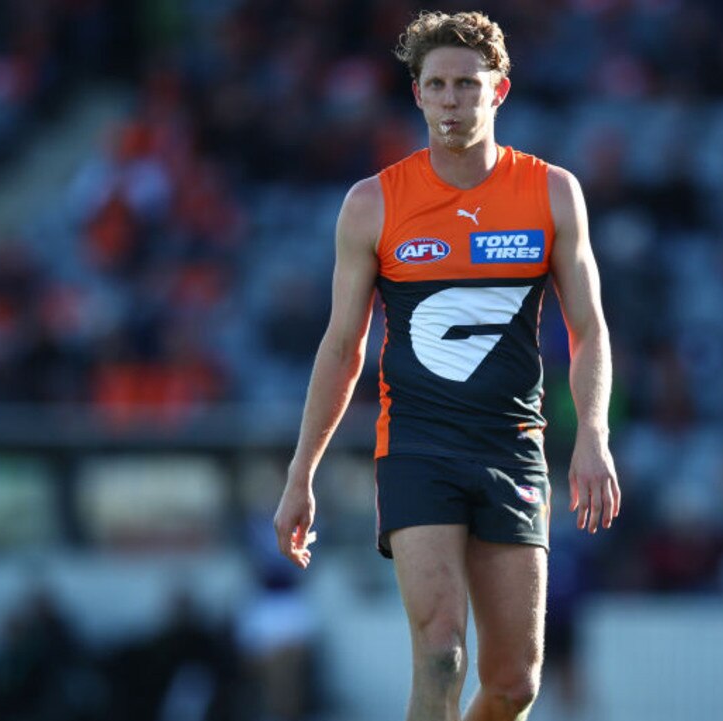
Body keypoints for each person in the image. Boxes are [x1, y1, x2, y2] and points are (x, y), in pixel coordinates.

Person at [273, 10, 620, 721]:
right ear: (418, 96)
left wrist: (592, 432)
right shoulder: (373, 204)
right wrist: (300, 473)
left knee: (515, 682)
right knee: (440, 653)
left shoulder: (551, 193)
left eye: (468, 84)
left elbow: (589, 329)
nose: (453, 99)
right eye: (438, 84)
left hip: (513, 449)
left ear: (499, 92)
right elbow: (343, 347)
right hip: (418, 447)